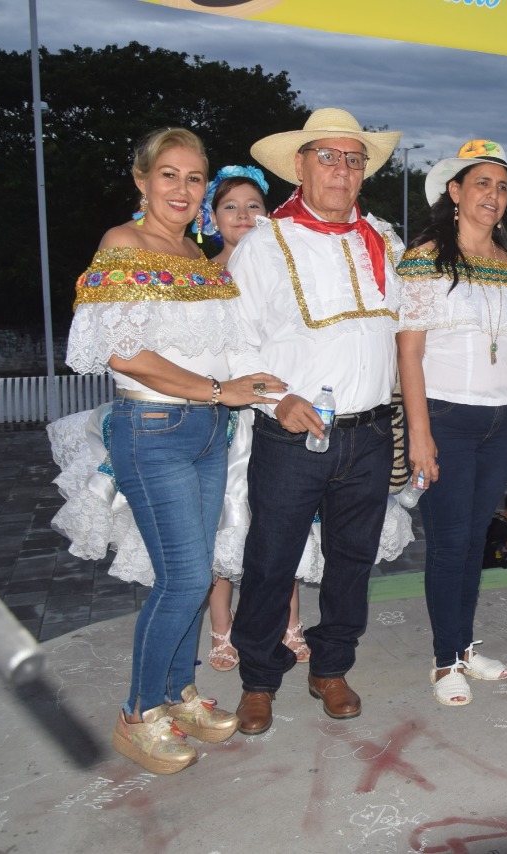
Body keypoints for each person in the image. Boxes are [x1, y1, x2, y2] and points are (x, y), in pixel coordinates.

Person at [59, 127, 286, 774]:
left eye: (194, 179)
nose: (183, 189)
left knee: (197, 570)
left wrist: (257, 387)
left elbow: (229, 341)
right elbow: (125, 354)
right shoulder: (123, 244)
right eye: (169, 175)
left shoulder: (194, 253)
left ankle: (177, 695)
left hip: (210, 432)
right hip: (153, 430)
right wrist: (219, 389)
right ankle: (137, 714)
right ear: (141, 179)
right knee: (185, 578)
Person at [226, 109, 406, 735]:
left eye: (353, 158)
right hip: (293, 432)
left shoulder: (381, 240)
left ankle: (332, 666)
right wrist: (276, 401)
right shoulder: (262, 245)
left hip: (370, 431)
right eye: (327, 156)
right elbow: (235, 342)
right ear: (299, 166)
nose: (341, 168)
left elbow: (407, 329)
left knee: (352, 560)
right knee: (271, 559)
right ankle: (257, 678)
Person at [396, 139, 507, 707]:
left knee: (476, 537)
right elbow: (408, 354)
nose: (494, 196)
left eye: (501, 188)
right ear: (454, 192)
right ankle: (444, 660)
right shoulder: (426, 255)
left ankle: (464, 647)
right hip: (447, 418)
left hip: (502, 420)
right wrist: (421, 433)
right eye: (482, 184)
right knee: (449, 545)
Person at [197, 165, 312, 672]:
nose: (242, 216)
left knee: (279, 524)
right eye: (229, 207)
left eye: (253, 206)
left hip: (274, 414)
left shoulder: (285, 272)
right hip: (222, 420)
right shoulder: (199, 276)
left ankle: (290, 624)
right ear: (212, 217)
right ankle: (222, 630)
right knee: (226, 525)